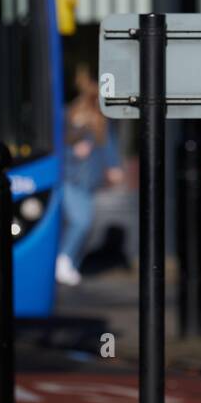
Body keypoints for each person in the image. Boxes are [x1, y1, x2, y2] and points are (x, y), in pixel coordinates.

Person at [57, 64, 123, 287]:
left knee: (85, 222)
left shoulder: (101, 121)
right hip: (69, 176)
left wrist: (114, 166)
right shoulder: (69, 115)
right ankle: (63, 260)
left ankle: (70, 263)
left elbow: (108, 146)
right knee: (81, 221)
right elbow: (55, 146)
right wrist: (72, 152)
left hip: (88, 181)